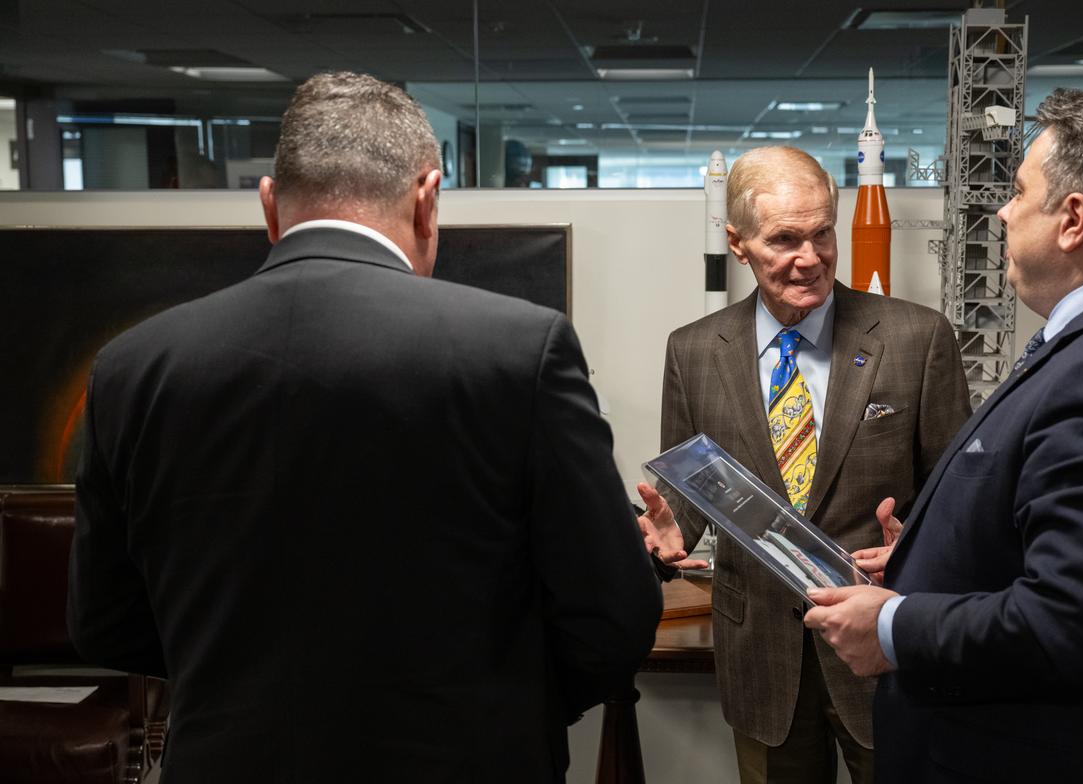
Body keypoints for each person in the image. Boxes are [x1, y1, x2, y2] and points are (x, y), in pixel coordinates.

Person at [68, 72, 662, 783]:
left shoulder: (134, 366)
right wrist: (507, 709)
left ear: (269, 204)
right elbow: (615, 617)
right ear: (427, 197)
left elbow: (104, 619)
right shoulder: (519, 349)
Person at [803, 87, 1083, 783]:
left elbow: (1072, 629)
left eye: (1018, 192)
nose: (1003, 210)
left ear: (1073, 219)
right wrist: (933, 559)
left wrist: (894, 628)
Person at [638, 145, 971, 784]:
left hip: (885, 650)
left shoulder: (915, 338)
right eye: (785, 239)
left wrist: (917, 551)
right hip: (762, 655)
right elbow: (690, 492)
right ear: (737, 243)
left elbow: (957, 498)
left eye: (822, 234)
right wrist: (670, 530)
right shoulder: (694, 352)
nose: (810, 258)